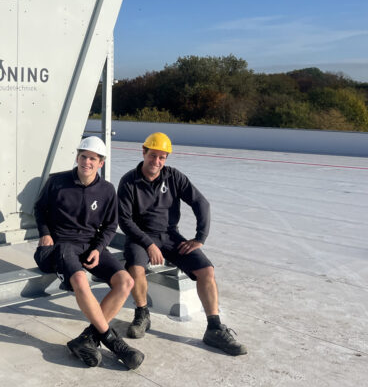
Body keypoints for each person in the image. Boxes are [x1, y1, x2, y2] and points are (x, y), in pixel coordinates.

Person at [117, 132, 247, 356]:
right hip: (140, 236)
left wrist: (200, 237)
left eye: (162, 157)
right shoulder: (129, 181)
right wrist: (148, 244)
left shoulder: (174, 177)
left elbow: (201, 203)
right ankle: (142, 314)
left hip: (170, 235)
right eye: (153, 155)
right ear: (143, 152)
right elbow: (125, 220)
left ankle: (214, 328)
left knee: (206, 270)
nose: (157, 162)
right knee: (136, 269)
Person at [34, 136, 144, 370]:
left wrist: (98, 248)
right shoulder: (57, 182)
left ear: (100, 163)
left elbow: (111, 225)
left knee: (125, 281)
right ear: (77, 157)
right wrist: (45, 232)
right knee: (81, 281)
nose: (87, 162)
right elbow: (39, 209)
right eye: (83, 156)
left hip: (89, 245)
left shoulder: (106, 190)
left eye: (92, 158)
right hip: (61, 246)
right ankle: (114, 343)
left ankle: (87, 340)